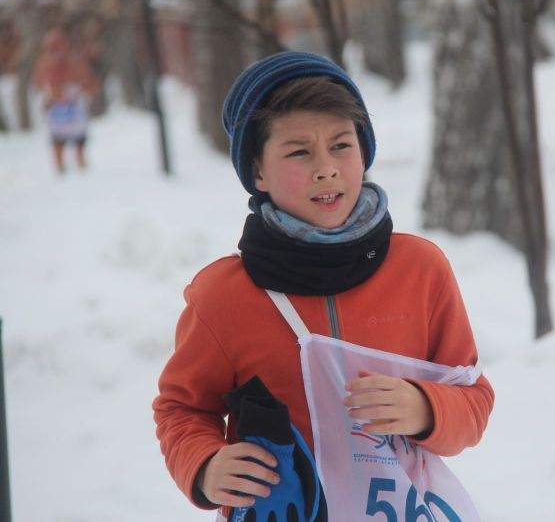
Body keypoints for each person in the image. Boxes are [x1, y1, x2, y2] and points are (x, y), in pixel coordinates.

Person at [152, 52, 495, 520]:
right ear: (257, 172)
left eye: (341, 145)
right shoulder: (221, 297)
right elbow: (182, 409)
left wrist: (425, 407)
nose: (326, 168)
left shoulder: (421, 270)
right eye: (299, 151)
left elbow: (474, 399)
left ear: (364, 153)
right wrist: (206, 465)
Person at [33, 27, 98, 173]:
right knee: (57, 140)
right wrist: (48, 97)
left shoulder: (76, 62)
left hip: (75, 109)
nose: (55, 50)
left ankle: (82, 165)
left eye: (58, 45)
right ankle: (59, 167)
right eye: (51, 46)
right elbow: (40, 86)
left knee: (80, 139)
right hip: (57, 111)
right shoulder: (43, 64)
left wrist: (77, 91)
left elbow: (89, 85)